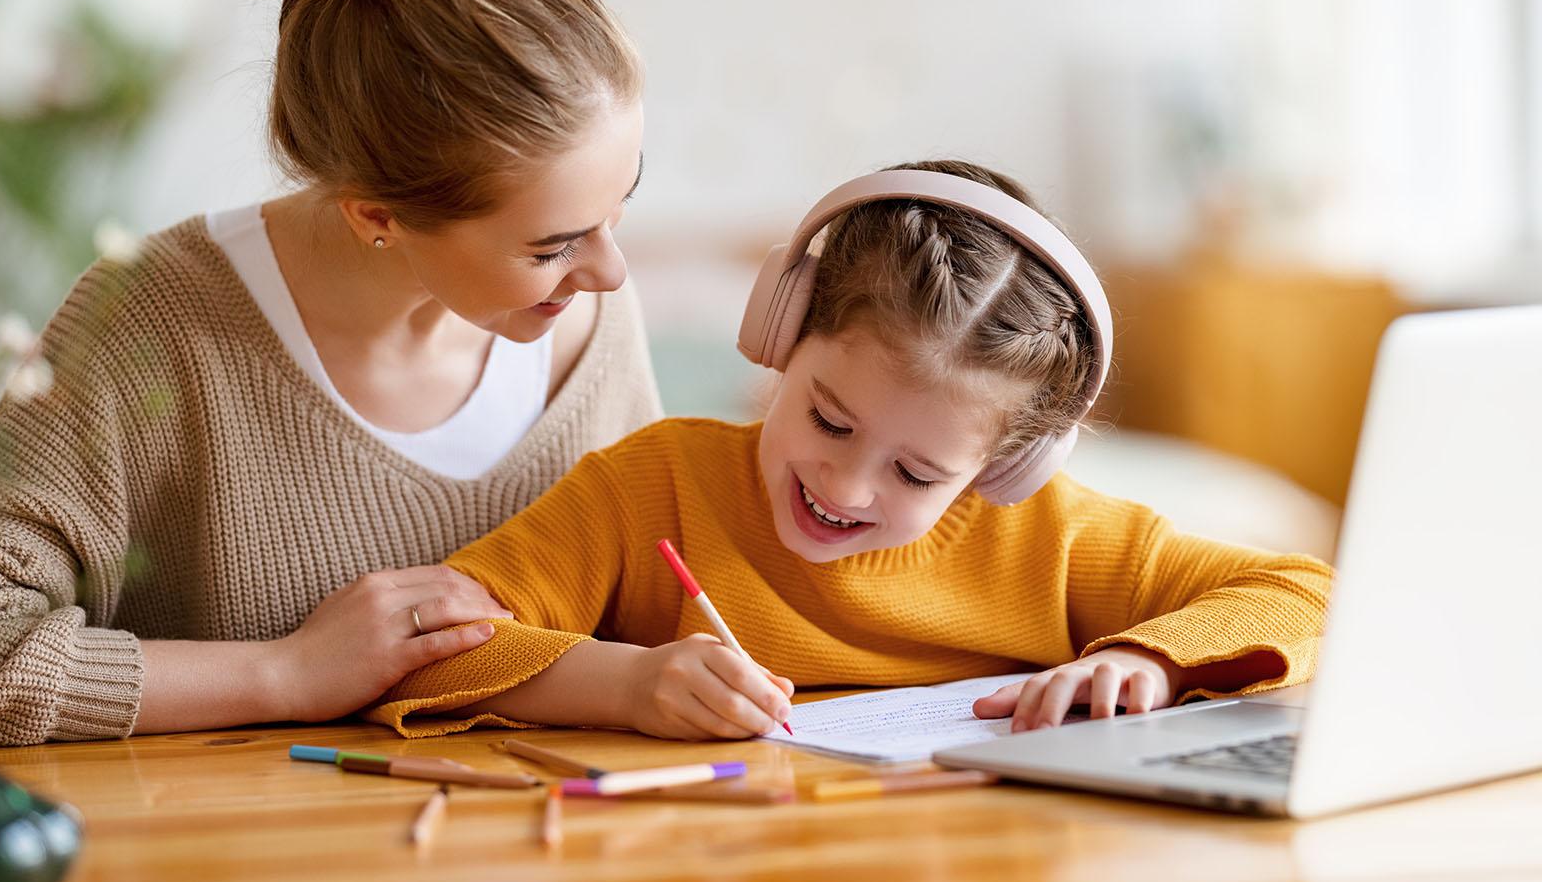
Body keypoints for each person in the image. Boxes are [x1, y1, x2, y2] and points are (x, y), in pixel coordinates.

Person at [0, 0, 660, 746]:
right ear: (378, 217)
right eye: (552, 246)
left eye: (619, 206)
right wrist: (284, 671)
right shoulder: (156, 322)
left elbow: (663, 594)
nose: (610, 272)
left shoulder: (588, 324)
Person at [363, 160, 1332, 741]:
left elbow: (1310, 594)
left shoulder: (1051, 534)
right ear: (778, 338)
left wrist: (1150, 663)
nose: (846, 481)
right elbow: (428, 650)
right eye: (828, 418)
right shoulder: (649, 486)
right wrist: (623, 683)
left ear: (1005, 466)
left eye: (917, 473)